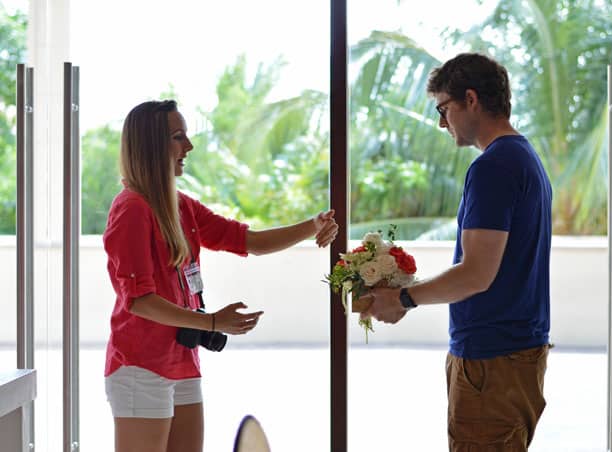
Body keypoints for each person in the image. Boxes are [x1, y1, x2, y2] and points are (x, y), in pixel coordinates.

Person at [103, 99, 338, 452]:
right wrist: (212, 321)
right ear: (151, 145)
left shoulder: (180, 204)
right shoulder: (132, 209)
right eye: (178, 137)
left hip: (182, 360)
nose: (189, 147)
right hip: (142, 367)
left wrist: (312, 226)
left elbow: (251, 241)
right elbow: (139, 301)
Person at [362, 53, 552, 451]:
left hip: (492, 359)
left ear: (471, 99)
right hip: (516, 353)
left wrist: (402, 298)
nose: (440, 122)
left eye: (444, 108)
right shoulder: (525, 158)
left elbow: (476, 274)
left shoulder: (493, 167)